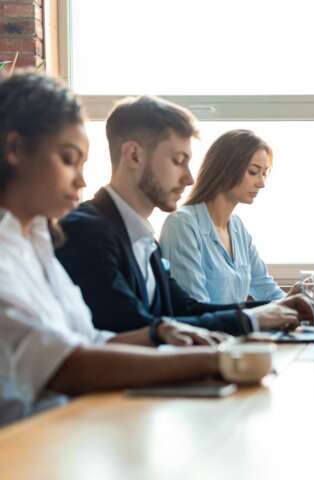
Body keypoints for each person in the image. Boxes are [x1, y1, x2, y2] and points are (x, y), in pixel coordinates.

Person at [0, 71, 232, 426]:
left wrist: (156, 333)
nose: (80, 180)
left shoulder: (39, 242)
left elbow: (89, 340)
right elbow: (66, 367)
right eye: (67, 159)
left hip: (65, 430)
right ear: (15, 150)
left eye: (82, 165)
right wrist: (219, 360)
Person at [56, 96, 312, 335]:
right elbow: (136, 327)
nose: (189, 178)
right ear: (134, 155)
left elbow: (186, 310)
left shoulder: (144, 240)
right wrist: (252, 320)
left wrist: (276, 308)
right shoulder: (85, 231)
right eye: (178, 161)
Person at [159, 130, 285, 304]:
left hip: (239, 329)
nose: (261, 183)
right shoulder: (182, 225)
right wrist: (255, 318)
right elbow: (195, 307)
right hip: (209, 331)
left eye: (264, 173)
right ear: (225, 169)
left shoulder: (238, 228)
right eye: (253, 172)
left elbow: (266, 288)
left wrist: (297, 303)